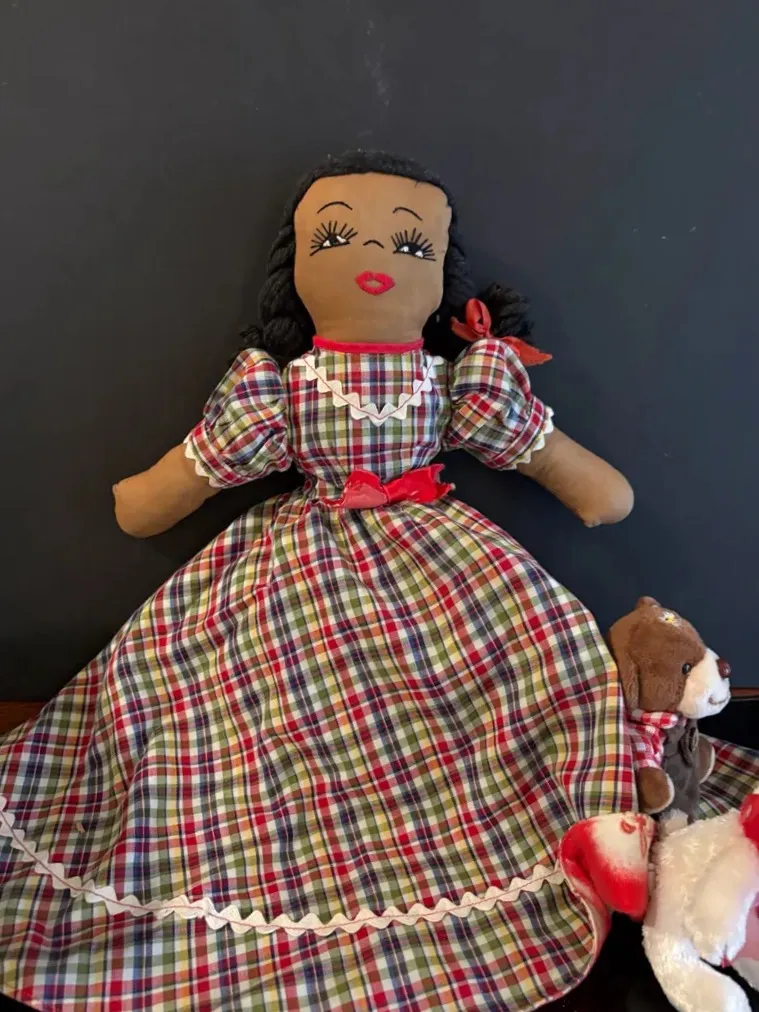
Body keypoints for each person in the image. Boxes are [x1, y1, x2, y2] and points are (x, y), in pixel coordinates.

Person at [1, 151, 754, 1012]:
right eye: (335, 239)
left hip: (446, 561)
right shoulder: (275, 388)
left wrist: (592, 485)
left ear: (440, 277)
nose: (372, 259)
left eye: (408, 246)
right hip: (294, 559)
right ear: (296, 267)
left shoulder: (459, 380)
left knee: (521, 674)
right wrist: (147, 496)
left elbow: (578, 478)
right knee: (235, 709)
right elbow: (163, 494)